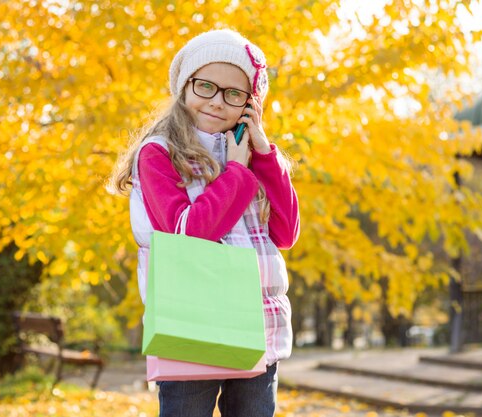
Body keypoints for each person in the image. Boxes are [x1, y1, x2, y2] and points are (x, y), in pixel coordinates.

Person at [111, 29, 300, 417]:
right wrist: (237, 171)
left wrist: (263, 154)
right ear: (184, 88)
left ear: (251, 105)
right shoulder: (159, 154)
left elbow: (285, 233)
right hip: (191, 325)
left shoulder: (249, 155)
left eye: (234, 94)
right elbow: (188, 233)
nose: (217, 102)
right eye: (205, 87)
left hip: (257, 326)